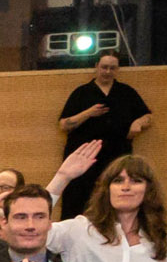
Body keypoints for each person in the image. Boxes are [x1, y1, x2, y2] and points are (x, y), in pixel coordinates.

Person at [57, 53, 152, 218]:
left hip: (117, 155)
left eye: (112, 68)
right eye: (104, 67)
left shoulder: (125, 92)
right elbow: (64, 124)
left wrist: (138, 123)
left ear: (118, 70)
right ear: (96, 67)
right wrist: (88, 113)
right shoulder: (82, 92)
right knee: (79, 202)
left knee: (115, 200)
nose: (107, 72)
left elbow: (148, 116)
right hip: (85, 156)